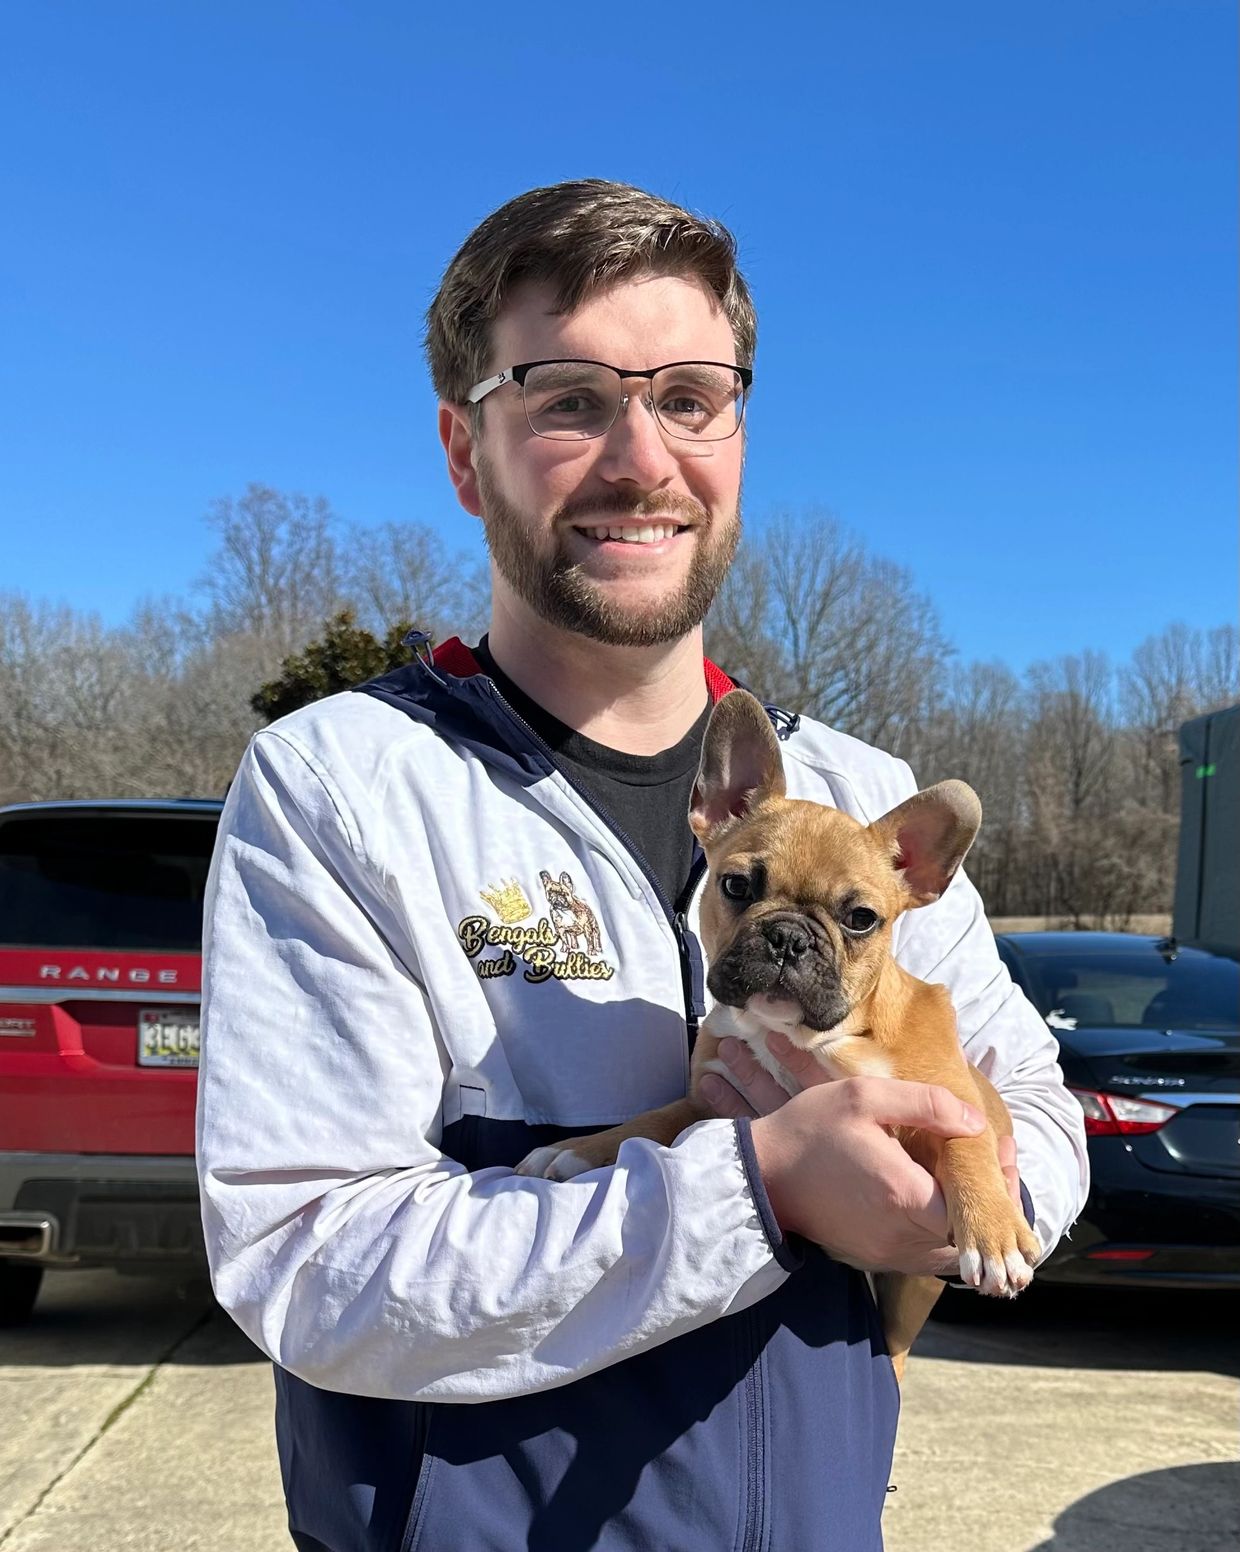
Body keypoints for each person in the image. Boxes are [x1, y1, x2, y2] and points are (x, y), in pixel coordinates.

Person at [197, 179, 1089, 1552]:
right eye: (564, 397)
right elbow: (303, 1265)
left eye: (689, 396)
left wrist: (963, 1202)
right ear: (462, 448)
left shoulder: (856, 798)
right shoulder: (345, 786)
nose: (640, 457)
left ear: (736, 432)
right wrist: (762, 1189)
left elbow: (1037, 1115)